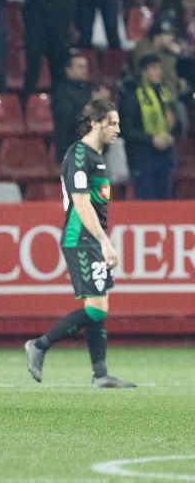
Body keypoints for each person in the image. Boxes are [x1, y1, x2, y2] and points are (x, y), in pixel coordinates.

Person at [25, 99, 135, 388]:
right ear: (96, 122)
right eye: (112, 122)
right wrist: (104, 242)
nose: (117, 129)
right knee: (97, 308)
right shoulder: (79, 155)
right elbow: (82, 204)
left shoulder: (98, 156)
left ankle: (100, 374)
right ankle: (39, 345)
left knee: (97, 303)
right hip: (80, 237)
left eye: (118, 123)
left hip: (91, 238)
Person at [120, 54, 180, 199]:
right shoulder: (132, 95)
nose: (158, 72)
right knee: (147, 201)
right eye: (153, 68)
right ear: (143, 72)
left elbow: (177, 123)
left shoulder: (165, 94)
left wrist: (171, 136)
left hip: (165, 156)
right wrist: (151, 139)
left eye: (160, 68)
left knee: (164, 199)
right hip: (142, 157)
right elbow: (126, 129)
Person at [52, 52, 111, 161]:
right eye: (79, 67)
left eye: (85, 67)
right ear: (68, 70)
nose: (84, 70)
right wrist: (93, 103)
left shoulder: (90, 87)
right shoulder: (61, 92)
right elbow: (68, 121)